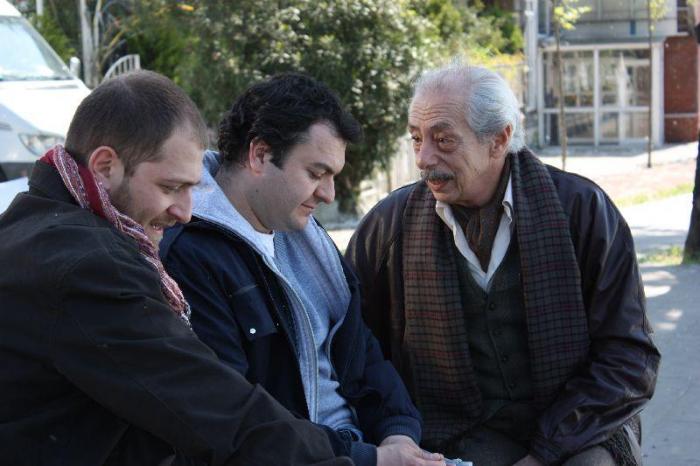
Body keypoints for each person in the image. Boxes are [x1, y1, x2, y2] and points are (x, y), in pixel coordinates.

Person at [0, 70, 352, 466]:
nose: (185, 212)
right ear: (104, 167)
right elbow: (212, 406)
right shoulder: (87, 266)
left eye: (192, 188)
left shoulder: (29, 225)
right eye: (171, 188)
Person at [345, 63, 661, 466]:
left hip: (577, 423)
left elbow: (629, 356)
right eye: (416, 139)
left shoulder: (582, 211)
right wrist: (394, 431)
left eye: (443, 140)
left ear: (499, 139)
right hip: (453, 430)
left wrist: (544, 453)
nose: (423, 158)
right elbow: (355, 345)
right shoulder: (390, 226)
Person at [160, 73, 445, 466]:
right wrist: (370, 457)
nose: (328, 194)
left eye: (332, 177)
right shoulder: (190, 254)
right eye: (315, 173)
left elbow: (360, 351)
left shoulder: (303, 233)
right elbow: (235, 419)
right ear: (260, 154)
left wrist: (398, 432)